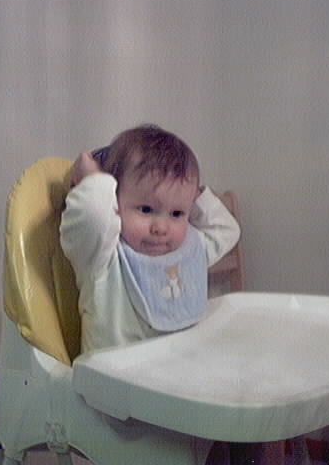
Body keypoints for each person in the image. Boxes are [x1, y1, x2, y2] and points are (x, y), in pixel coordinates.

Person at [60, 124, 241, 354]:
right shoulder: (103, 256)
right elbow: (93, 214)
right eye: (146, 209)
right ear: (113, 201)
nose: (161, 228)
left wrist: (195, 195)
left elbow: (228, 230)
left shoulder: (189, 250)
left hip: (177, 368)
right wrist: (94, 178)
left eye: (177, 213)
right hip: (115, 374)